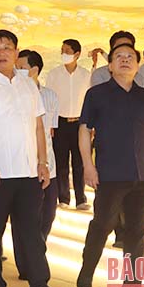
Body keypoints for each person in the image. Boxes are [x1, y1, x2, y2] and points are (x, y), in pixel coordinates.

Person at [0, 29, 61, 287]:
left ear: (16, 53)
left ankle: (39, 284)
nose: (2, 52)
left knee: (31, 231)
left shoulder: (28, 84)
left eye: (7, 47)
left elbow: (39, 126)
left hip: (28, 172)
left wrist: (43, 162)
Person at [76, 43, 144, 287]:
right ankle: (87, 271)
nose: (125, 60)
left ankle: (133, 281)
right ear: (110, 65)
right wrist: (88, 166)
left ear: (137, 65)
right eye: (119, 56)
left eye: (130, 57)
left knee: (138, 230)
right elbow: (84, 130)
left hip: (143, 176)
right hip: (109, 174)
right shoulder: (96, 94)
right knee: (102, 225)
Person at [13, 49, 58, 280]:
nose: (17, 71)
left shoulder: (50, 96)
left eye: (21, 67)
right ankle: (26, 265)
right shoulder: (11, 93)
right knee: (22, 217)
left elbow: (50, 132)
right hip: (22, 166)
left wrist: (46, 161)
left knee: (48, 214)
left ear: (34, 70)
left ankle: (36, 255)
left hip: (48, 164)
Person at [45, 39, 91, 210]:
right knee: (61, 162)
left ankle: (81, 199)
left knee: (79, 162)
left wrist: (90, 124)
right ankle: (63, 198)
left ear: (77, 54)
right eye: (62, 50)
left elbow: (89, 101)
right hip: (60, 122)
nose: (63, 53)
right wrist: (50, 124)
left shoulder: (86, 75)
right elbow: (49, 100)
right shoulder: (54, 74)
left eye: (67, 51)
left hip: (80, 124)